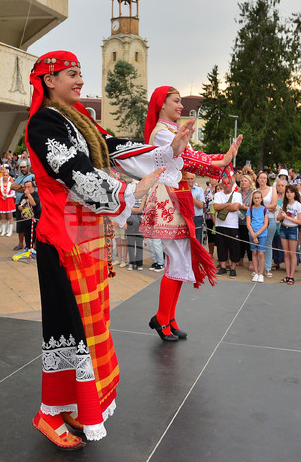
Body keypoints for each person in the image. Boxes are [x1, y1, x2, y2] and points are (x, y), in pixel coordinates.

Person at [24, 50, 183, 449]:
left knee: (89, 326)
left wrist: (167, 152)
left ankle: (75, 404)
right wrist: (130, 190)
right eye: (72, 74)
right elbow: (75, 173)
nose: (79, 81)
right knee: (68, 329)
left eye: (80, 74)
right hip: (62, 241)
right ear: (48, 80)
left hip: (87, 240)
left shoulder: (83, 120)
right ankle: (49, 412)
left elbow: (118, 147)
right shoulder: (44, 123)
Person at [140, 85, 240, 341]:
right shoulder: (163, 134)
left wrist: (223, 159)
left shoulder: (172, 130)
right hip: (169, 199)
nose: (181, 106)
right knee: (177, 259)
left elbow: (193, 157)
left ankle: (168, 318)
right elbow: (190, 159)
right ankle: (162, 319)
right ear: (162, 104)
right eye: (176, 101)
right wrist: (223, 161)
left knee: (180, 260)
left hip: (178, 197)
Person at [276, 184, 301, 284]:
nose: (289, 194)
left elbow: (300, 221)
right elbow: (278, 218)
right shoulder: (284, 203)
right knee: (286, 253)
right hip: (284, 228)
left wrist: (287, 217)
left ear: (294, 193)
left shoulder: (298, 205)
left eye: (291, 192)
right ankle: (287, 275)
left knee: (292, 253)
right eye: (287, 192)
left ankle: (292, 276)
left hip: (293, 229)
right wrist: (282, 216)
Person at [246, 190, 269, 283]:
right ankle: (256, 272)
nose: (256, 200)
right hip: (252, 233)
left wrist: (257, 234)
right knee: (254, 253)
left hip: (262, 234)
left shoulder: (264, 209)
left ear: (261, 199)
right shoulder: (250, 209)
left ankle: (261, 273)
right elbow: (248, 223)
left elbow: (265, 224)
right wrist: (253, 234)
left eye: (258, 198)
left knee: (261, 253)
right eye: (255, 198)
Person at [16, 179, 39, 250]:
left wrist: (28, 194)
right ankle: (28, 247)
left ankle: (35, 248)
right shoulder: (24, 196)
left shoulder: (36, 195)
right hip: (25, 219)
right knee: (27, 234)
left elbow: (34, 203)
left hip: (34, 219)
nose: (26, 189)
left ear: (33, 187)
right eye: (25, 187)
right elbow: (21, 204)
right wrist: (19, 207)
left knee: (34, 235)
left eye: (28, 187)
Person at [0, 169, 16, 237]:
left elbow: (13, 193)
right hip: (2, 201)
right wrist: (2, 197)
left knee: (10, 216)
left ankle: (10, 231)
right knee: (2, 216)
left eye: (6, 175)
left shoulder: (11, 184)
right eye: (4, 175)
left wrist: (7, 196)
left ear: (8, 176)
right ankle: (3, 230)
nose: (5, 176)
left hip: (9, 201)